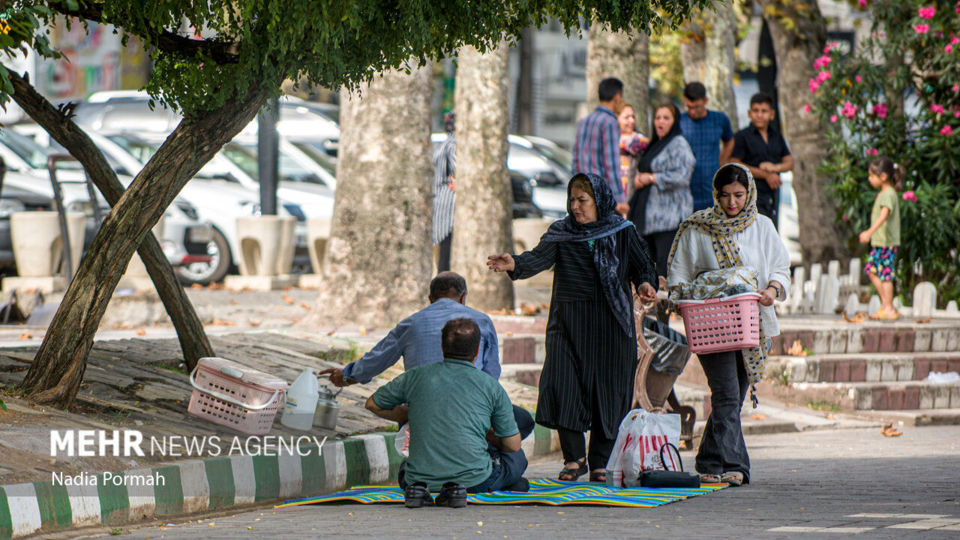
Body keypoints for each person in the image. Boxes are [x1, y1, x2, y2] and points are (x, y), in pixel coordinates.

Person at [487, 173, 658, 484]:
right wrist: (514, 264)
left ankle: (600, 461)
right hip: (568, 324)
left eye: (583, 201)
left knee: (610, 392)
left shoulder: (622, 231)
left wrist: (646, 284)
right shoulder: (561, 232)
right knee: (565, 386)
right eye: (572, 200)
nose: (576, 207)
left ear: (599, 202)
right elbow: (537, 259)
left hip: (611, 326)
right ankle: (574, 459)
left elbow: (642, 265)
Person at [666, 163, 790, 487]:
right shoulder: (698, 228)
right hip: (711, 323)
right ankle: (736, 464)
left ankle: (708, 459)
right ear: (715, 195)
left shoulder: (762, 226)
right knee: (726, 393)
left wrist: (771, 291)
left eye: (738, 195)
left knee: (731, 398)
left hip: (751, 324)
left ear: (749, 193)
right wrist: (681, 299)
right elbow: (680, 272)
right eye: (725, 196)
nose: (732, 203)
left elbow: (780, 267)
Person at [320, 272, 535, 439]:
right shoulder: (482, 322)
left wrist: (347, 376)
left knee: (412, 408)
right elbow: (491, 376)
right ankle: (487, 454)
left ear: (430, 299)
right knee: (523, 422)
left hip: (421, 411)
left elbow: (377, 359)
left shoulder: (411, 324)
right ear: (463, 298)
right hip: (472, 411)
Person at [366, 318, 526, 507]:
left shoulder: (416, 375)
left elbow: (372, 404)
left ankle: (421, 488)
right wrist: (489, 437)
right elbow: (513, 445)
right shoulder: (490, 386)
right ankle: (463, 489)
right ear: (477, 351)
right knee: (518, 459)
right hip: (475, 481)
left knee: (406, 466)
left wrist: (410, 414)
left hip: (415, 480)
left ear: (442, 347)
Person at [627, 102, 695, 317]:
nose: (661, 122)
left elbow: (683, 174)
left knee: (663, 274)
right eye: (658, 118)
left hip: (668, 220)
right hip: (648, 220)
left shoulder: (678, 143)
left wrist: (652, 178)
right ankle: (646, 318)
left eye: (666, 118)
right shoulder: (655, 144)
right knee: (645, 270)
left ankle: (661, 318)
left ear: (674, 121)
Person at [730, 92, 794, 229]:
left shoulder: (776, 136)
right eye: (756, 111)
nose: (759, 115)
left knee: (771, 233)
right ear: (749, 113)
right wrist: (765, 174)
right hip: (750, 197)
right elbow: (735, 163)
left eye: (764, 111)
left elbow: (790, 162)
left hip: (773, 195)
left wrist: (774, 168)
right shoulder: (742, 136)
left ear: (771, 114)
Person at [573, 77, 629, 216]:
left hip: (581, 194)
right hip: (599, 195)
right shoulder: (609, 122)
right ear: (617, 97)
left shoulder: (583, 122)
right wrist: (620, 199)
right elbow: (611, 164)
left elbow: (575, 160)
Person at [679, 82, 735, 212]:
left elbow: (729, 141)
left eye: (697, 107)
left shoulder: (720, 119)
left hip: (711, 188)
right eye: (689, 107)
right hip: (685, 189)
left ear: (705, 100)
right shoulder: (679, 121)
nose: (693, 111)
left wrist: (721, 163)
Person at [859, 156, 902, 321]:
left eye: (872, 176)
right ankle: (886, 304)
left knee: (885, 275)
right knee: (871, 270)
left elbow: (884, 215)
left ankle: (889, 308)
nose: (869, 179)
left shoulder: (888, 194)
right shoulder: (885, 193)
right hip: (880, 243)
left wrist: (869, 232)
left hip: (885, 242)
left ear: (883, 176)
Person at [433, 112, 457, 271]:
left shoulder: (450, 142)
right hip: (444, 201)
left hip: (446, 201)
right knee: (444, 248)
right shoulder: (450, 142)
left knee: (445, 249)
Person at [618, 103, 648, 204]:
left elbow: (641, 143)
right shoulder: (609, 139)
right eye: (627, 117)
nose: (632, 121)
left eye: (633, 117)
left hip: (632, 197)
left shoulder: (639, 139)